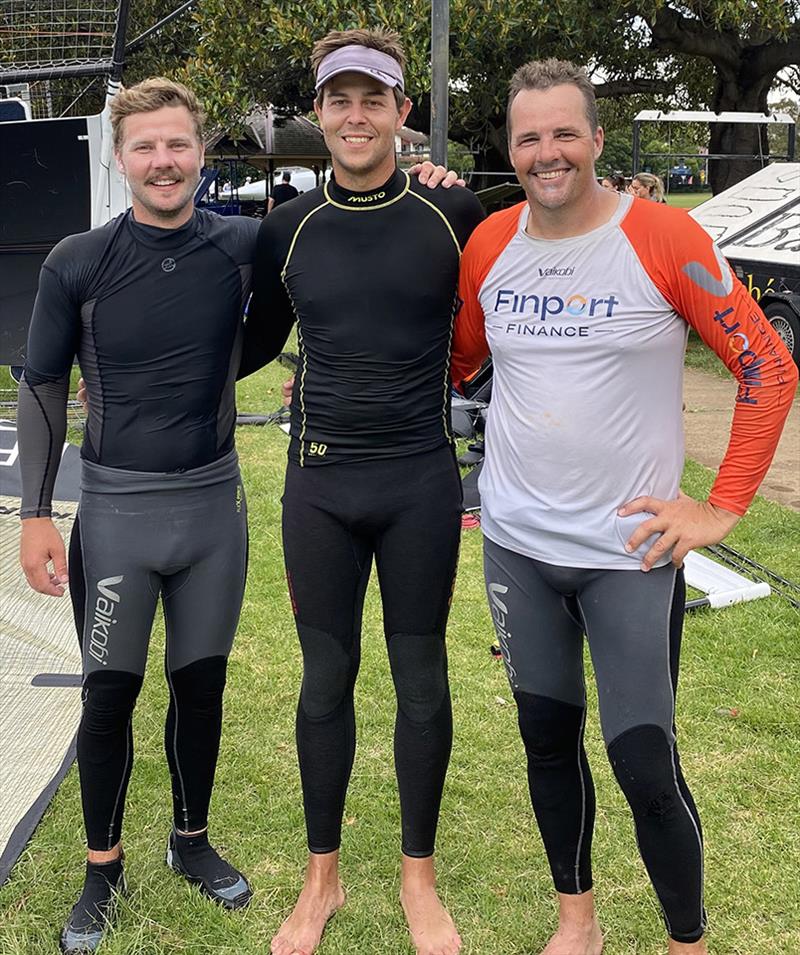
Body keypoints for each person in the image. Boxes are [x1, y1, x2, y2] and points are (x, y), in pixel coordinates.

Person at [17, 73, 456, 954]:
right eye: (145, 145)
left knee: (200, 686)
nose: (163, 160)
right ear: (119, 155)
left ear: (202, 151)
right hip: (117, 509)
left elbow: (336, 249)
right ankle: (102, 868)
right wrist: (35, 511)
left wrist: (433, 177)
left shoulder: (248, 241)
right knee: (108, 697)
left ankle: (190, 841)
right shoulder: (78, 258)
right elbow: (39, 383)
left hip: (214, 503)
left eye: (178, 144)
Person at [451, 58, 797, 955]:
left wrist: (718, 510)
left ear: (598, 139)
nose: (547, 152)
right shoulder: (489, 244)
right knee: (544, 740)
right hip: (519, 546)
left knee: (644, 761)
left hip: (629, 554)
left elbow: (768, 367)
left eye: (565, 132)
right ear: (511, 149)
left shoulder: (665, 237)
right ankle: (579, 921)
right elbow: (455, 363)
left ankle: (688, 941)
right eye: (528, 137)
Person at [242, 27, 485, 955]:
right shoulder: (285, 228)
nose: (354, 115)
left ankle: (417, 878)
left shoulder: (452, 216)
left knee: (421, 680)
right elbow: (252, 345)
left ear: (402, 113)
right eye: (338, 100)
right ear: (319, 112)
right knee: (325, 680)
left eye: (372, 99)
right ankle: (322, 877)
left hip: (420, 481)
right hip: (322, 487)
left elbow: (544, 252)